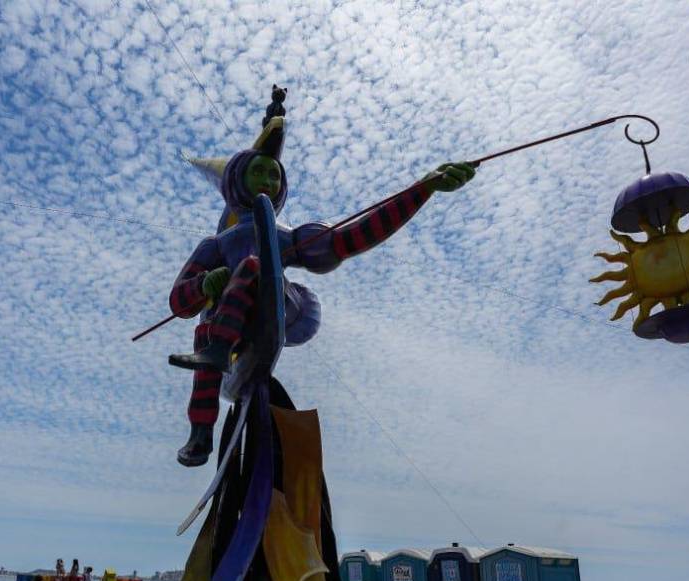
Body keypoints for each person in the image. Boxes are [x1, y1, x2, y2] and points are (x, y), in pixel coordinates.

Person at [166, 129, 476, 466]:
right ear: (238, 181)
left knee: (253, 265)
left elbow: (351, 238)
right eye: (259, 172)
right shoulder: (214, 246)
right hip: (231, 321)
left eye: (274, 174)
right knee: (207, 322)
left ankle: (218, 352)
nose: (268, 180)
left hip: (282, 305)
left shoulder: (286, 237)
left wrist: (423, 189)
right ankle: (200, 433)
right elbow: (179, 301)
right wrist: (204, 284)